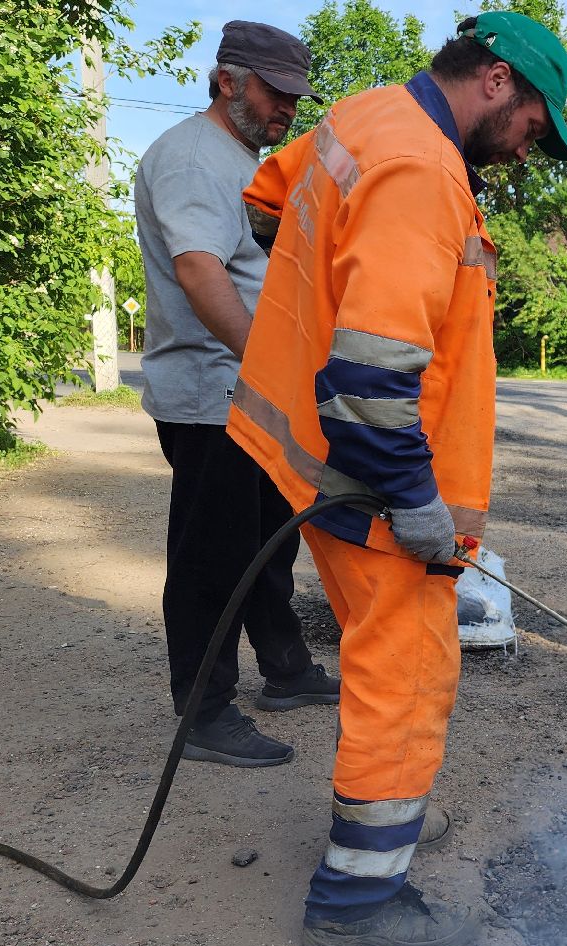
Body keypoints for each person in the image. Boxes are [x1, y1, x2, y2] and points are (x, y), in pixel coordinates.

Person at [229, 11, 567, 946]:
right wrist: (416, 500)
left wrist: (317, 305)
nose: (529, 146)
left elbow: (266, 202)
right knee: (409, 671)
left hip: (314, 456)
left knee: (381, 655)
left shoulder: (368, 114)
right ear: (500, 81)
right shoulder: (423, 171)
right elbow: (376, 374)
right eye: (536, 123)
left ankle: (378, 819)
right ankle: (356, 900)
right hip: (371, 480)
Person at [133, 21, 339, 770]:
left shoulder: (239, 159)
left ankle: (285, 671)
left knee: (266, 542)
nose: (288, 107)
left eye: (294, 95)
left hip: (251, 393)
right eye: (275, 91)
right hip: (217, 394)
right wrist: (263, 365)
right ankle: (204, 712)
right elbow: (199, 271)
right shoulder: (192, 158)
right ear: (228, 80)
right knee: (211, 557)